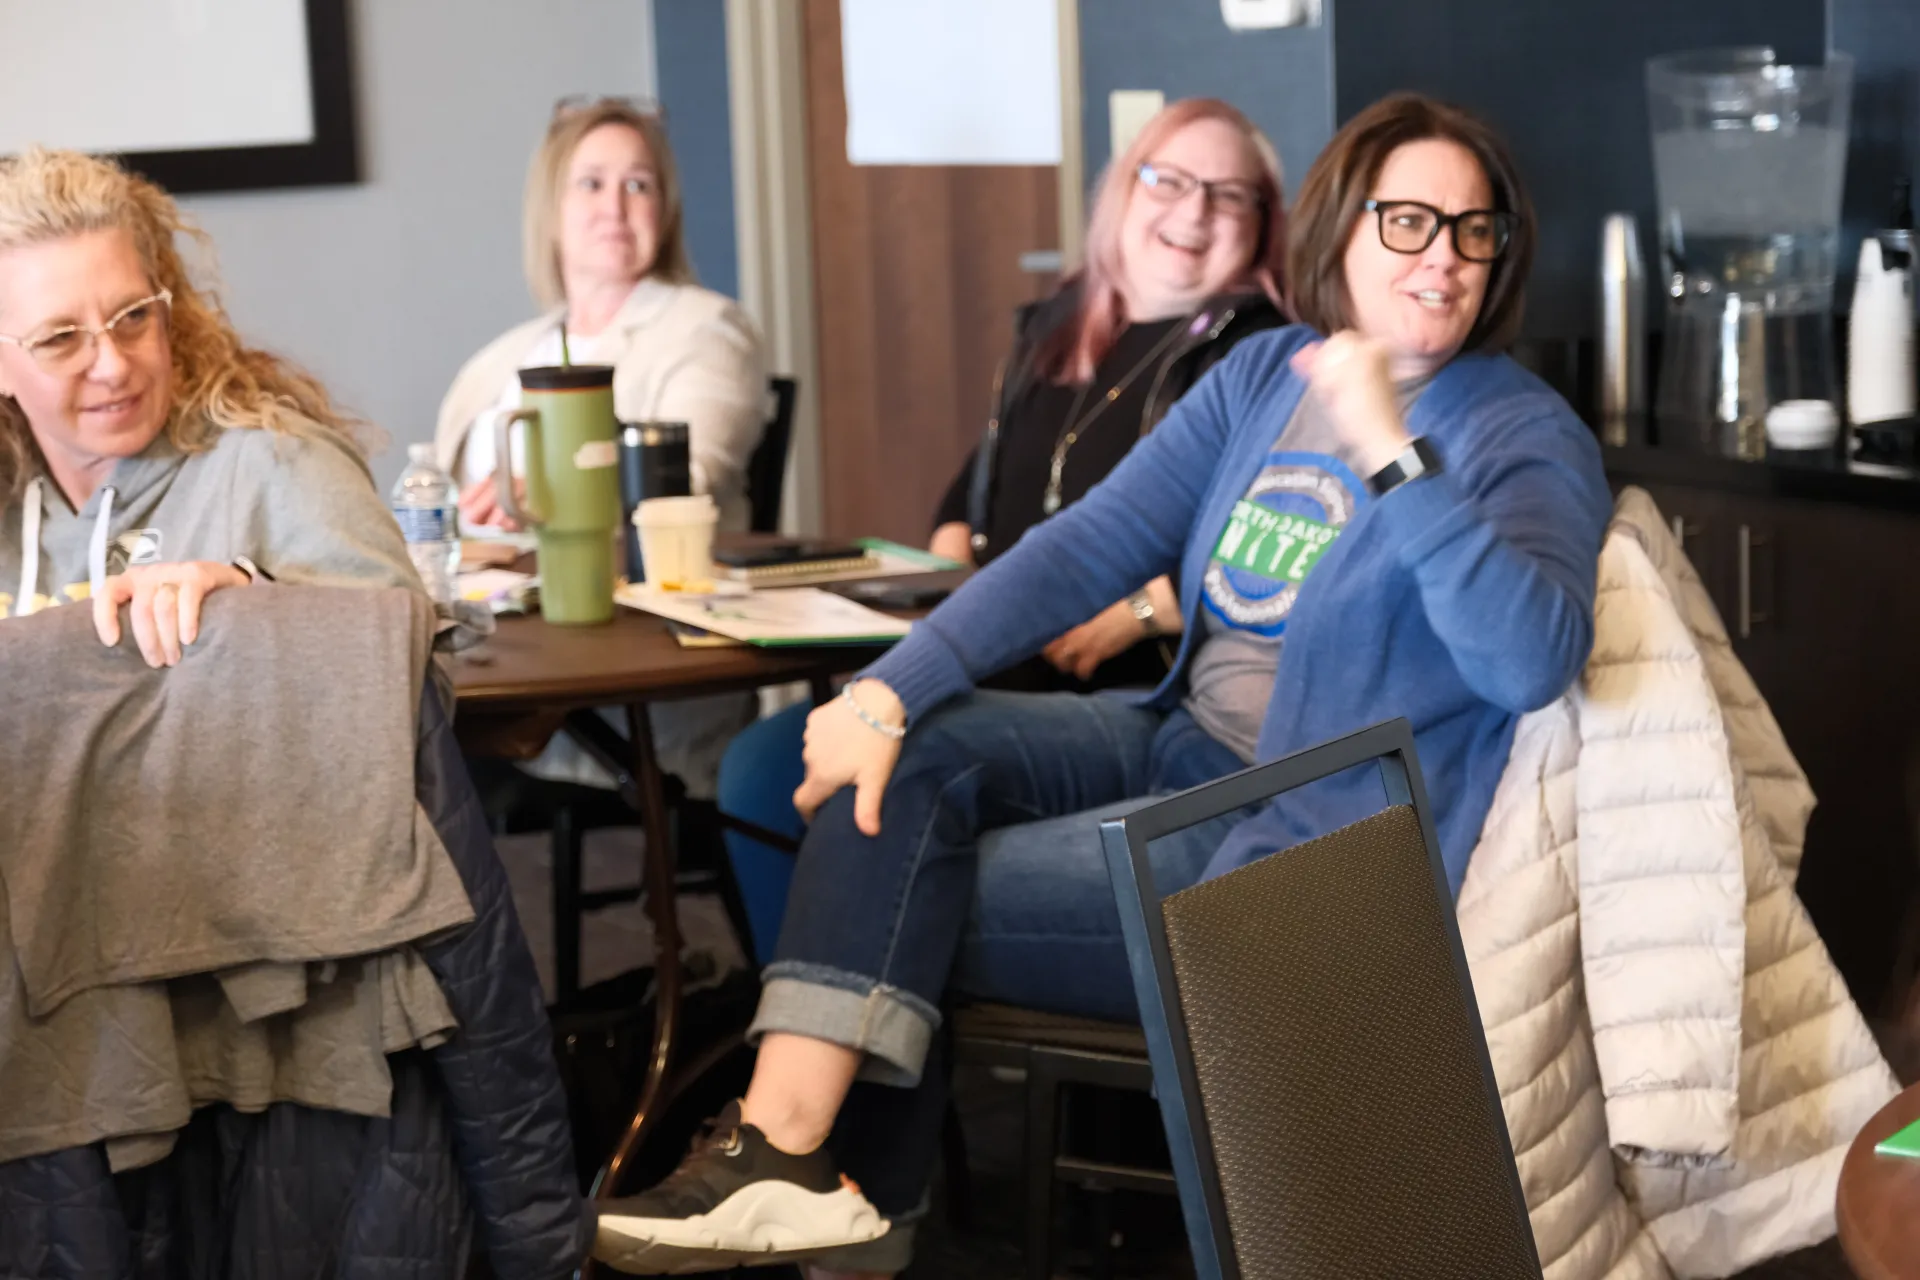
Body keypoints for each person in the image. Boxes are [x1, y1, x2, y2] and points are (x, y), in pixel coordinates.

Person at [595, 90, 1614, 1278]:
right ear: (1341, 229)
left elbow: (1532, 657)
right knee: (907, 758)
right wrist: (885, 688)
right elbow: (1085, 544)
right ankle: (800, 1167)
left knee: (886, 882)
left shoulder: (1517, 431)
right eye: (1409, 221)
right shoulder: (1267, 378)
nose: (1442, 257)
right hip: (1176, 744)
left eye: (1472, 230)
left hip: (1307, 845)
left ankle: (826, 1182)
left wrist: (1396, 452)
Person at [718, 97, 1289, 962]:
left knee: (830, 791)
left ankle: (870, 1045)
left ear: (1262, 225)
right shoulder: (1058, 327)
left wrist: (1138, 612)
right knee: (766, 769)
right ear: (1123, 192)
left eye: (1227, 194)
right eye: (1168, 180)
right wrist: (951, 553)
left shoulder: (1255, 358)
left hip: (1116, 688)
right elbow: (973, 491)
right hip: (993, 647)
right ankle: (808, 1014)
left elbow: (1270, 550)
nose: (1193, 211)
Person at [437, 96, 769, 796]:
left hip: (621, 659)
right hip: (496, 646)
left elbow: (686, 481)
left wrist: (544, 495)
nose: (614, 205)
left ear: (665, 209)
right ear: (550, 209)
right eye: (591, 183)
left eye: (638, 184)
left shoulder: (706, 332)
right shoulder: (501, 357)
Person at [0, 147, 419, 658]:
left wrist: (254, 602)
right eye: (61, 338)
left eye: (134, 316)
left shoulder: (278, 465)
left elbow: (418, 668)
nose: (113, 366)